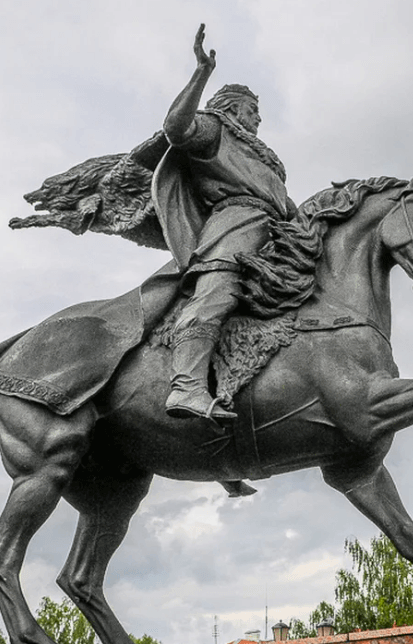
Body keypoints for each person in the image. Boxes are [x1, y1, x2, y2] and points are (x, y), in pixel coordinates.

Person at [153, 24, 295, 421]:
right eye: (252, 111)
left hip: (276, 236)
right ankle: (186, 387)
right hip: (233, 228)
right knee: (216, 296)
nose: (258, 120)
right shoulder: (215, 131)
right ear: (232, 108)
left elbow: (287, 207)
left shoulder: (265, 161)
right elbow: (176, 130)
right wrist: (201, 73)